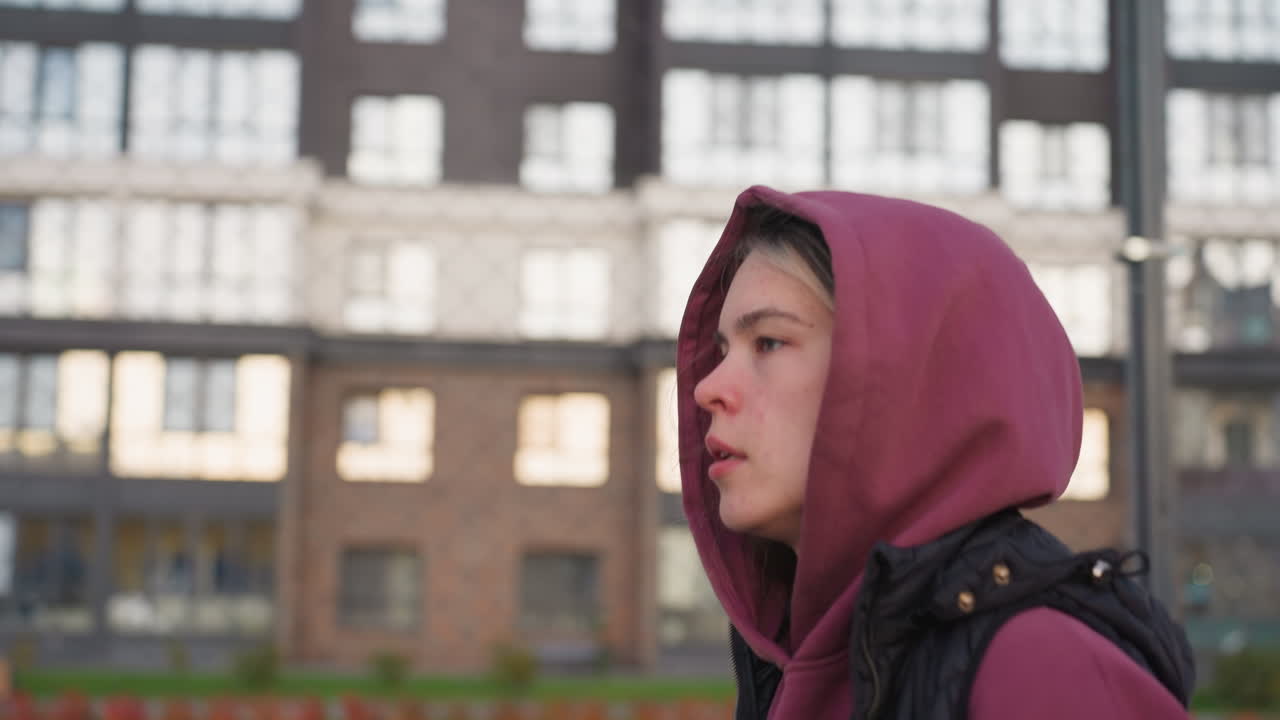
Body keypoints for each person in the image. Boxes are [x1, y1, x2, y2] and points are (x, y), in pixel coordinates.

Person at [675, 186, 1196, 719]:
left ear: (912, 376)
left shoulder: (1044, 667)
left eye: (768, 342)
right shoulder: (798, 656)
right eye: (722, 351)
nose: (708, 388)